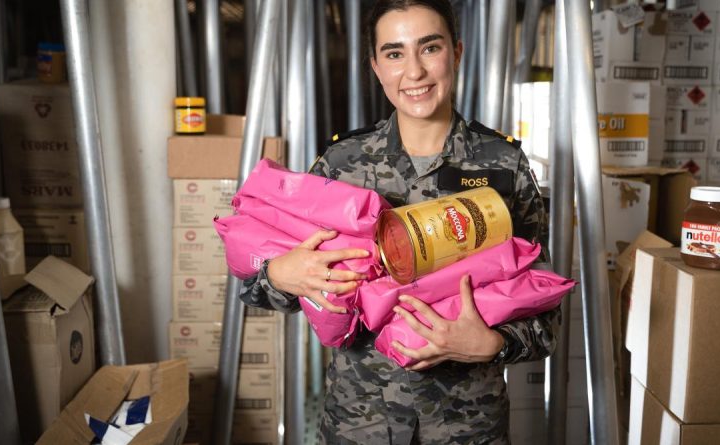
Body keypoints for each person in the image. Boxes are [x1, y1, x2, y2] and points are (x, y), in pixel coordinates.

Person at [239, 0, 560, 443]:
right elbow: (263, 288)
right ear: (375, 66)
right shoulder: (342, 163)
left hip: (468, 425)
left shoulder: (503, 165)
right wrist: (279, 274)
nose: (414, 72)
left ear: (457, 52)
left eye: (430, 48)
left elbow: (545, 309)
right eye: (394, 53)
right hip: (360, 421)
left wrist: (491, 344)